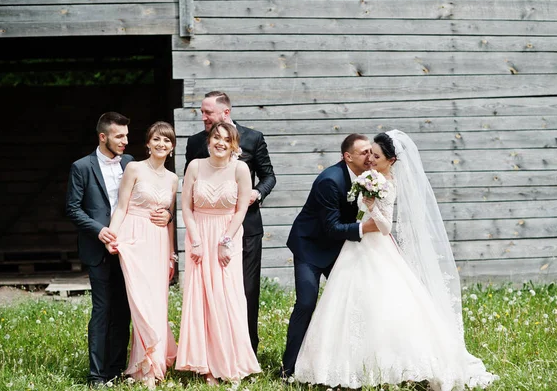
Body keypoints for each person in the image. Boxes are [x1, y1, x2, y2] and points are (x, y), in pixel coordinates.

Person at [294, 130, 498, 390]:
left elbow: (385, 226)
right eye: (368, 154)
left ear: (390, 161)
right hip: (355, 246)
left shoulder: (386, 182)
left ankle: (395, 363)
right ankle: (345, 363)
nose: (371, 159)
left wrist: (371, 206)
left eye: (376, 155)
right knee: (349, 303)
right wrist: (365, 209)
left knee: (384, 303)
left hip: (376, 245)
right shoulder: (367, 177)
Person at [65, 112, 171, 387]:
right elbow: (72, 208)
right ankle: (97, 375)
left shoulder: (130, 164)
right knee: (103, 309)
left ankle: (116, 369)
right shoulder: (82, 167)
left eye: (126, 135)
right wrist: (100, 230)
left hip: (132, 248)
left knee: (125, 310)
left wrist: (167, 217)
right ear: (103, 137)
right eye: (119, 136)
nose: (125, 141)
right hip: (99, 247)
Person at [280, 134, 381, 378]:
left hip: (341, 248)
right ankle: (289, 367)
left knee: (354, 301)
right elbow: (331, 227)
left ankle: (348, 362)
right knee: (306, 302)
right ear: (348, 157)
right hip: (311, 247)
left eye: (371, 151)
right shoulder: (330, 181)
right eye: (364, 152)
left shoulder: (371, 177)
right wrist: (364, 228)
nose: (370, 156)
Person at [184, 91, 276, 354]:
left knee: (245, 290)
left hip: (246, 227)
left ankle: (247, 350)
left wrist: (256, 193)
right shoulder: (196, 142)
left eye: (207, 112)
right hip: (207, 227)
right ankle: (213, 351)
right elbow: (190, 186)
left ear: (225, 112)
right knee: (210, 291)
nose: (203, 117)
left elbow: (269, 176)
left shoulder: (253, 138)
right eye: (202, 112)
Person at [177, 122, 261, 385]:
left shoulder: (240, 169)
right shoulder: (195, 166)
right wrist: (196, 240)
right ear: (209, 141)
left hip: (227, 237)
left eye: (226, 139)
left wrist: (226, 240)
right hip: (199, 236)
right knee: (201, 298)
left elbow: (240, 210)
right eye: (216, 137)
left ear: (234, 144)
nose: (220, 142)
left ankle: (230, 362)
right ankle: (206, 365)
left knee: (227, 299)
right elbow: (186, 207)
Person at [106, 121, 179, 389]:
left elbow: (169, 220)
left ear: (172, 148)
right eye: (157, 139)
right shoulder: (134, 168)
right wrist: (112, 236)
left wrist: (172, 255)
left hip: (159, 243)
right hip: (133, 238)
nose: (162, 144)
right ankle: (144, 365)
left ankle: (154, 364)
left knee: (157, 302)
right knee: (140, 302)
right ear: (148, 142)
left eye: (167, 141)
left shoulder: (173, 179)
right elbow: (121, 206)